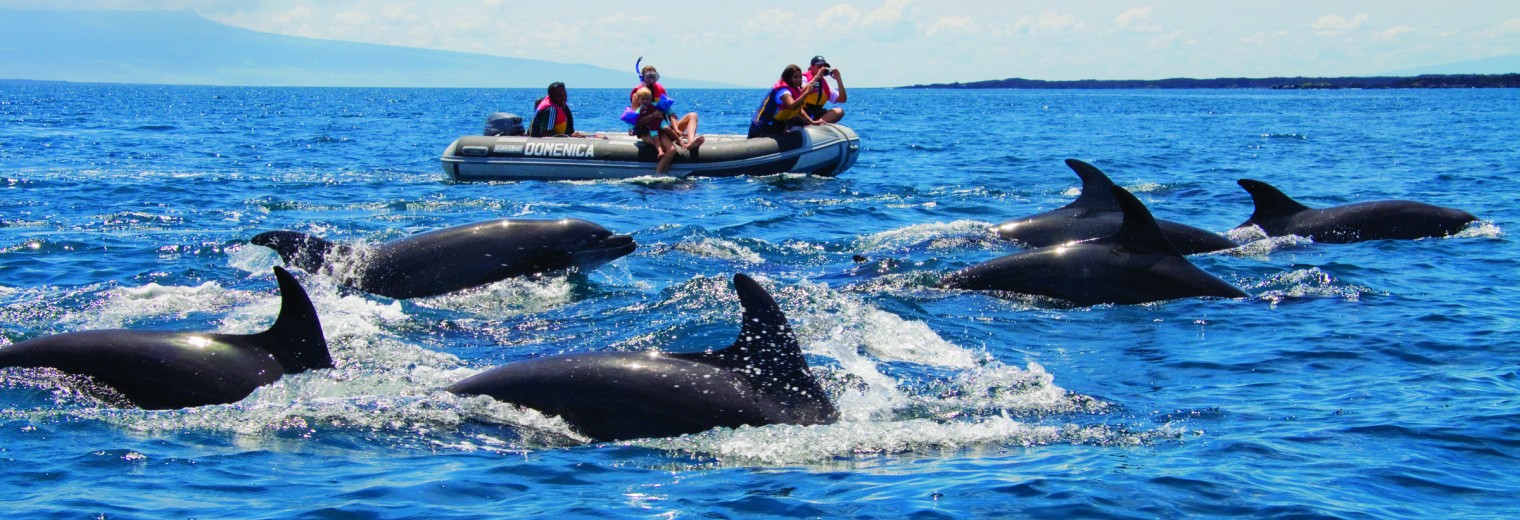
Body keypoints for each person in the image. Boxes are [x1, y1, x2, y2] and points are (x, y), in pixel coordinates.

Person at [631, 64, 701, 148]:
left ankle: (691, 142)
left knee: (693, 115)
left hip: (665, 128)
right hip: (649, 132)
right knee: (668, 148)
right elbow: (635, 121)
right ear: (643, 78)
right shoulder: (637, 95)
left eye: (654, 76)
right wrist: (653, 116)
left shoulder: (660, 90)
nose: (651, 80)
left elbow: (670, 112)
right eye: (648, 77)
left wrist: (676, 129)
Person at [748, 64, 818, 139]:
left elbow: (799, 109)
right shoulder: (783, 91)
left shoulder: (795, 90)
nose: (798, 79)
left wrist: (811, 121)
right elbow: (793, 106)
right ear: (788, 78)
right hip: (762, 127)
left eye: (800, 77)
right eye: (795, 77)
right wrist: (806, 92)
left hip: (776, 127)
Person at [800, 55, 847, 124]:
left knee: (839, 111)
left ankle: (818, 123)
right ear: (811, 67)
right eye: (819, 67)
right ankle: (812, 123)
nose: (822, 69)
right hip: (802, 114)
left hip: (816, 114)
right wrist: (816, 77)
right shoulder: (803, 78)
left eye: (824, 67)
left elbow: (842, 99)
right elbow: (800, 91)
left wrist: (838, 80)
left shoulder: (825, 85)